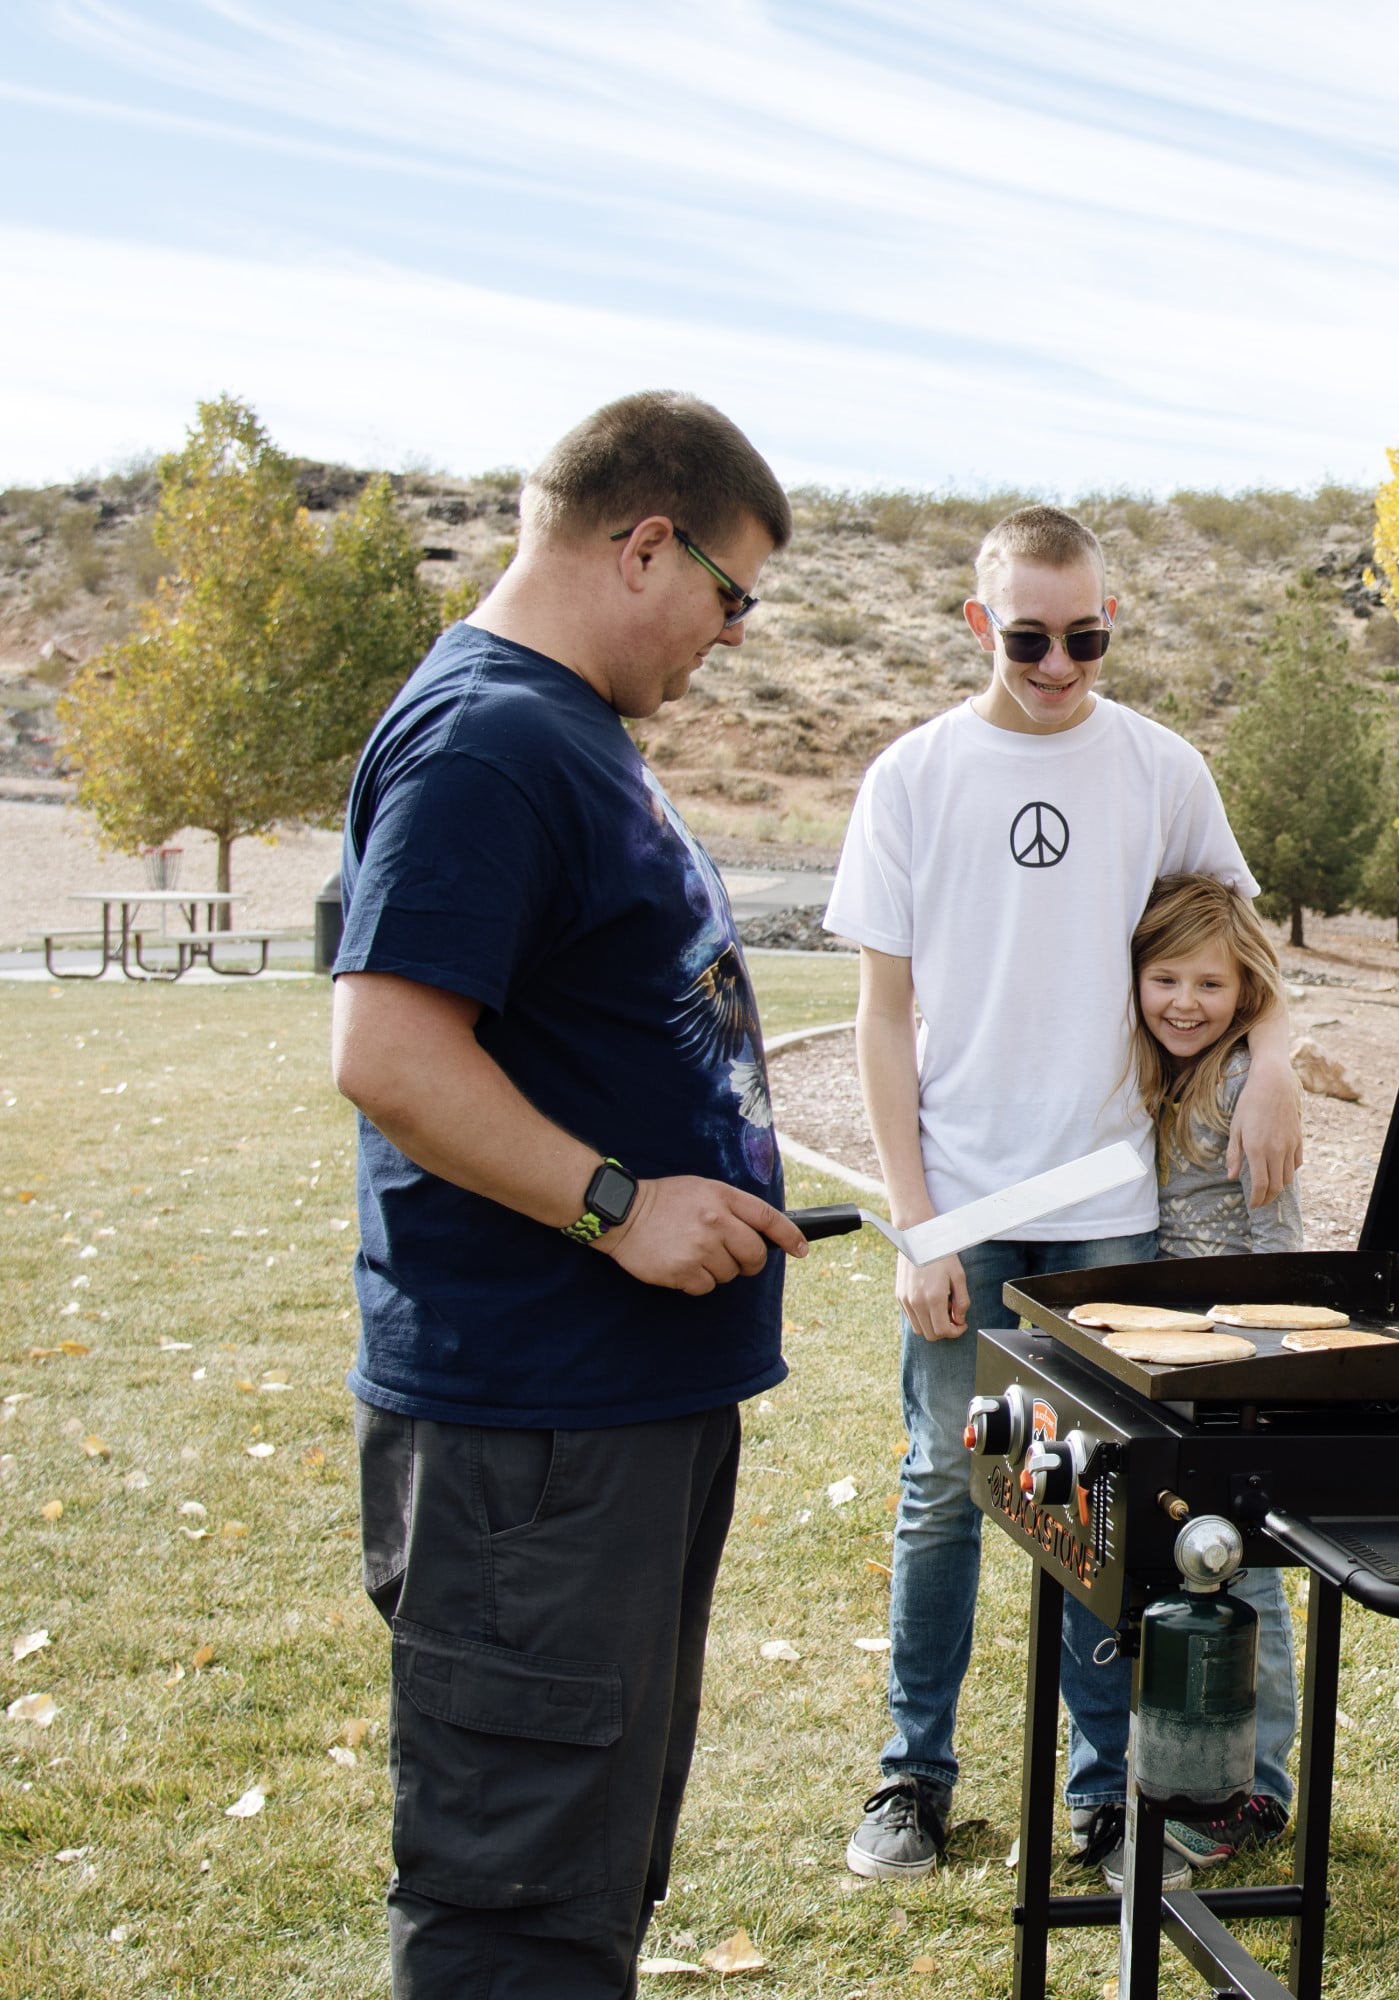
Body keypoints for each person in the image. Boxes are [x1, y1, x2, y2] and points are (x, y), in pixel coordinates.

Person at [328, 391, 810, 2000]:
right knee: (515, 1904)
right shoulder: (488, 736)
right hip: (533, 1421)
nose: (731, 639)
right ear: (645, 542)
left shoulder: (564, 726)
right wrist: (620, 1202)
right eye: (730, 597)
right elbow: (389, 1049)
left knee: (589, 1872)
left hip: (614, 1414)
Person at [823, 504, 1303, 1890]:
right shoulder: (913, 778)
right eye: (1029, 637)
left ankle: (1106, 1793)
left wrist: (1273, 1064)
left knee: (1094, 1500)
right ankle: (912, 1781)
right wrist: (917, 1223)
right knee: (943, 1491)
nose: (1057, 663)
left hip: (1108, 1200)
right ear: (980, 625)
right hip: (965, 1206)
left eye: (1084, 636)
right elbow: (880, 1020)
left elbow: (1243, 955)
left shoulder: (1159, 769)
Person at [1128, 871, 1304, 1864]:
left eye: (1208, 982)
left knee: (1247, 1571)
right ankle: (1190, 1764)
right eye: (1165, 979)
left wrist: (1250, 1363)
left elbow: (1269, 1247)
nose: (1185, 1002)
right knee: (1188, 1562)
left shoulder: (1243, 1082)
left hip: (1233, 1366)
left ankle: (1258, 1785)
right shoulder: (1158, 1069)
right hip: (1167, 1361)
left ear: (1243, 992)